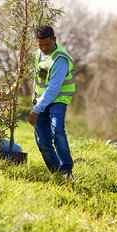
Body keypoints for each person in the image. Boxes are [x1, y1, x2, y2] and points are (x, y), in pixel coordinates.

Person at [28, 25, 75, 176]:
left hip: (58, 99)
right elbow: (40, 78)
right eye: (40, 45)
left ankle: (67, 170)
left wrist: (36, 109)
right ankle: (58, 174)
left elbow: (53, 89)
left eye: (47, 44)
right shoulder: (38, 54)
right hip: (41, 100)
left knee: (57, 131)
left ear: (54, 39)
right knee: (42, 141)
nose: (44, 48)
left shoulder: (60, 59)